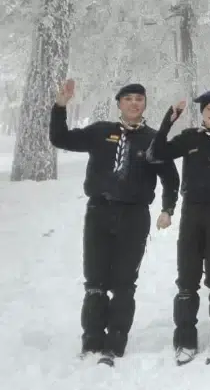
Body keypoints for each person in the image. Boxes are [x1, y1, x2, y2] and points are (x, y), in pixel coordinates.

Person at [49, 80, 179, 366]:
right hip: (99, 211)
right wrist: (60, 106)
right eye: (129, 99)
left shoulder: (153, 140)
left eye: (139, 99)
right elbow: (60, 139)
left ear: (145, 104)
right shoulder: (100, 132)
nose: (134, 103)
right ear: (119, 103)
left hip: (134, 216)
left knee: (123, 283)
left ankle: (115, 344)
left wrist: (167, 208)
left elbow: (170, 178)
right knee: (94, 281)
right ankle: (92, 341)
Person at [149, 90, 210, 364]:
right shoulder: (190, 137)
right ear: (202, 113)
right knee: (188, 277)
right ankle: (185, 340)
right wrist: (168, 121)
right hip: (193, 211)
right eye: (209, 112)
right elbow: (157, 153)